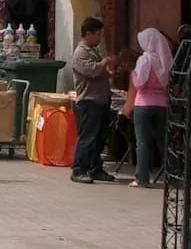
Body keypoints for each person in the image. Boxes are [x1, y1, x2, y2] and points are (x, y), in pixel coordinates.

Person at [121, 28, 172, 188]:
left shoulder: (145, 60)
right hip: (161, 105)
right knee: (163, 142)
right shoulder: (164, 61)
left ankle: (142, 178)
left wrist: (132, 73)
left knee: (142, 142)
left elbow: (139, 83)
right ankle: (174, 175)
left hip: (143, 104)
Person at [70, 16, 119, 184]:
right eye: (98, 34)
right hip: (89, 101)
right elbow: (93, 71)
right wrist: (104, 63)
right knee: (87, 137)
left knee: (99, 137)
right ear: (88, 34)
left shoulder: (94, 50)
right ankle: (79, 169)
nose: (100, 37)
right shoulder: (81, 53)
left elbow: (102, 72)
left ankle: (95, 167)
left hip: (101, 100)